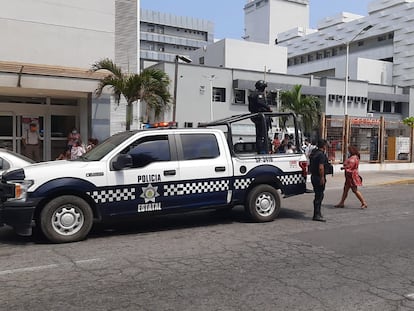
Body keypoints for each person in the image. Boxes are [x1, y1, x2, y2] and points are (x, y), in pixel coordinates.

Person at [248, 80, 272, 153]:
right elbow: (260, 102)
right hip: (261, 116)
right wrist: (268, 108)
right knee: (263, 135)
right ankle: (263, 150)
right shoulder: (259, 94)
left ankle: (260, 150)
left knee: (259, 135)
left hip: (256, 116)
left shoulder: (252, 94)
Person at [309, 139, 329, 222]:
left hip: (313, 176)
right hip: (318, 177)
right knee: (319, 196)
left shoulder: (314, 153)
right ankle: (316, 214)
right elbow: (321, 167)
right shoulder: (321, 155)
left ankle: (317, 213)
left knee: (318, 195)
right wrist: (322, 177)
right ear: (324, 146)